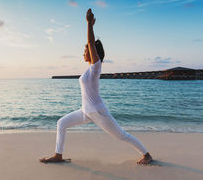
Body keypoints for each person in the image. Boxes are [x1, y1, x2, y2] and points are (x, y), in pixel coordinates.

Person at [40, 9, 152, 165]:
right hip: (86, 111)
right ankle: (58, 155)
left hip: (98, 112)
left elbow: (92, 43)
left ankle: (146, 155)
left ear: (93, 54)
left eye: (85, 51)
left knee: (121, 136)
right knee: (61, 123)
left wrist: (89, 25)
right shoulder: (88, 71)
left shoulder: (96, 67)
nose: (84, 53)